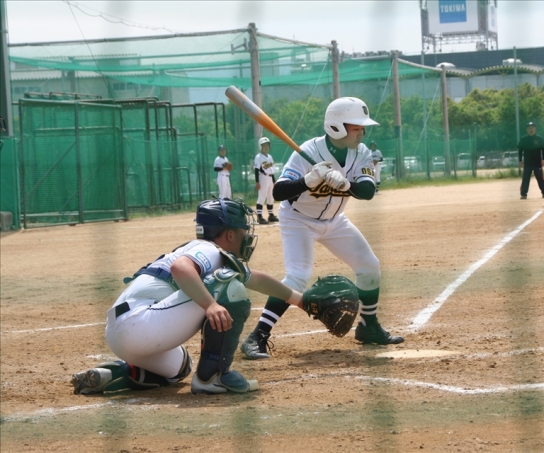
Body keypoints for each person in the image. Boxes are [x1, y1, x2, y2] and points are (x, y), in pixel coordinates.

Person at [71, 198, 303, 395]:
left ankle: (114, 373)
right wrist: (210, 305)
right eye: (244, 230)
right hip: (139, 324)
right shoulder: (209, 249)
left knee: (180, 368)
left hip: (122, 334)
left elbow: (257, 279)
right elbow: (180, 268)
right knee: (228, 285)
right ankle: (213, 377)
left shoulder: (203, 251)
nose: (247, 236)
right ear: (230, 234)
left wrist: (300, 300)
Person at [240, 97, 404, 360]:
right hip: (299, 220)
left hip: (335, 221)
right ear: (337, 127)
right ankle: (257, 335)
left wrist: (347, 185)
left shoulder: (360, 152)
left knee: (369, 265)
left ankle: (368, 326)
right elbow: (279, 191)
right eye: (356, 127)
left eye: (363, 127)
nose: (362, 132)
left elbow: (368, 191)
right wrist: (307, 180)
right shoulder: (308, 151)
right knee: (298, 275)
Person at [518, 122, 544, 200]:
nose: (531, 129)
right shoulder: (523, 139)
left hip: (537, 162)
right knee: (525, 178)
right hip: (527, 163)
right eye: (529, 128)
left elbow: (543, 149)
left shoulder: (539, 138)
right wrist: (520, 160)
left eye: (532, 127)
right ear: (527, 129)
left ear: (535, 129)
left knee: (540, 178)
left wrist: (543, 159)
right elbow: (520, 150)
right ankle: (523, 194)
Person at [253, 137, 279, 225]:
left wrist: (274, 181)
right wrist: (257, 182)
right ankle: (259, 217)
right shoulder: (258, 157)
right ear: (260, 146)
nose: (266, 147)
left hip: (270, 178)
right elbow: (256, 170)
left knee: (270, 196)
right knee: (262, 197)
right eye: (264, 145)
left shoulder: (270, 157)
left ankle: (271, 215)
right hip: (263, 177)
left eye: (267, 145)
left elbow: (271, 170)